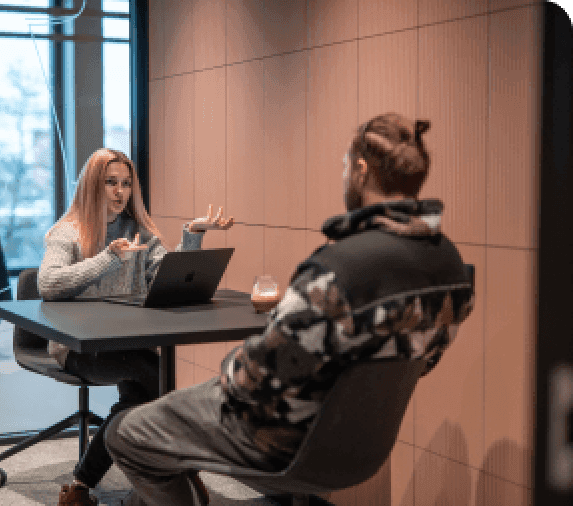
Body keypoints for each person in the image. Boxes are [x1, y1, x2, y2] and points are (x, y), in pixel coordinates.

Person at [103, 113, 476, 506]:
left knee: (124, 434)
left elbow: (254, 380)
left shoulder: (339, 269)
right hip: (364, 445)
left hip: (277, 438)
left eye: (346, 166)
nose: (345, 175)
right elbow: (423, 360)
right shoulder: (451, 266)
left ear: (362, 170)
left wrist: (232, 362)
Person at [38, 147, 234, 506]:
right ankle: (177, 471)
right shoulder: (68, 232)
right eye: (111, 182)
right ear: (92, 186)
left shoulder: (137, 229)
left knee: (138, 398)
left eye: (126, 184)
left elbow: (168, 276)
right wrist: (109, 258)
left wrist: (192, 234)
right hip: (79, 347)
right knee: (155, 379)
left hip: (126, 342)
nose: (119, 192)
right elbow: (48, 283)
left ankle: (80, 487)